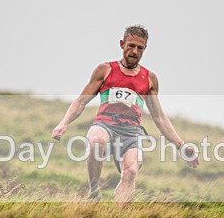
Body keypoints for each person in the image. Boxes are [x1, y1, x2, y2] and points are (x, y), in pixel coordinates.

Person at [52, 25, 199, 202]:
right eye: (131, 45)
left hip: (131, 133)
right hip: (105, 125)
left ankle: (118, 217)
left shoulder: (149, 79)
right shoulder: (105, 70)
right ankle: (94, 191)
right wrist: (64, 122)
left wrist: (181, 145)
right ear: (122, 44)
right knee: (97, 141)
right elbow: (81, 101)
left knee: (131, 171)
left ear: (145, 49)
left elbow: (159, 117)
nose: (134, 51)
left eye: (140, 48)